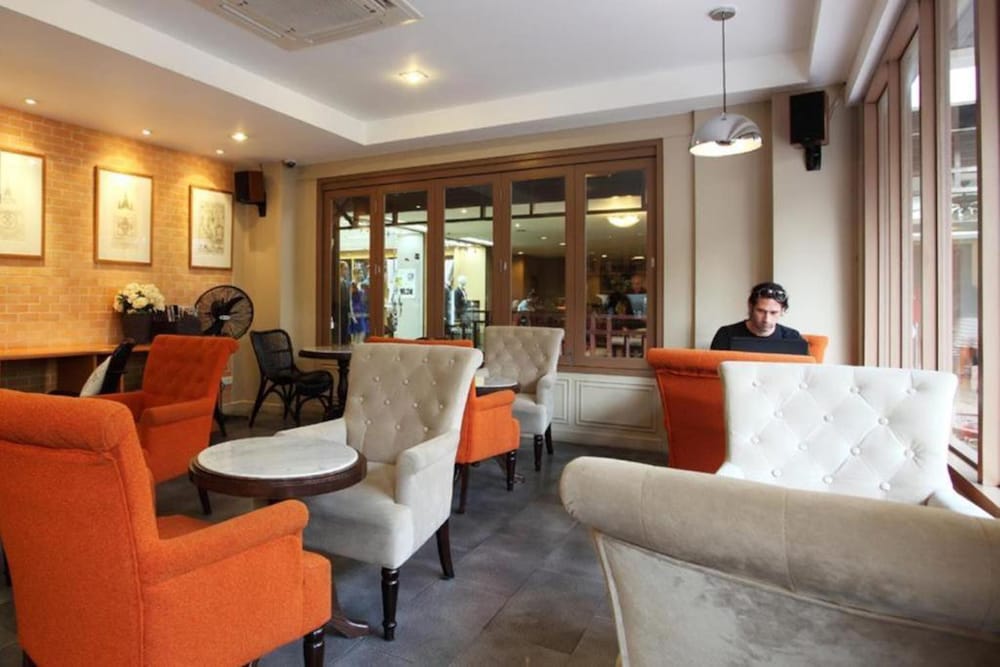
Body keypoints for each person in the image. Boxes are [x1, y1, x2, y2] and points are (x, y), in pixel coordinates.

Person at [710, 281, 803, 349]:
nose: (766, 319)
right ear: (750, 307)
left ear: (783, 311)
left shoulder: (792, 338)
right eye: (761, 311)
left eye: (773, 313)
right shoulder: (726, 334)